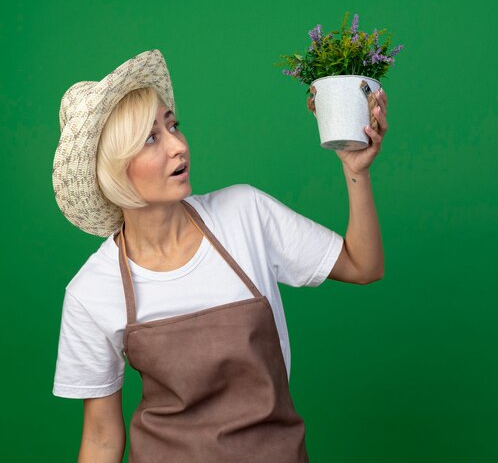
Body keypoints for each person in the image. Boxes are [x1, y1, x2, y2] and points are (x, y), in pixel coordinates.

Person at [51, 49, 386, 463]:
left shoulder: (245, 214)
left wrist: (356, 169)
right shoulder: (91, 291)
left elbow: (363, 265)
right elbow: (102, 438)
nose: (178, 145)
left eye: (173, 125)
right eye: (151, 138)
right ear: (114, 171)